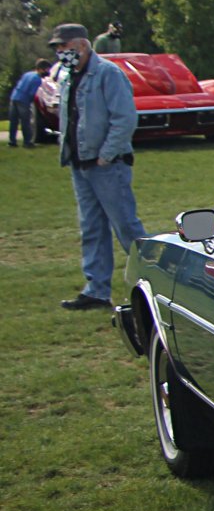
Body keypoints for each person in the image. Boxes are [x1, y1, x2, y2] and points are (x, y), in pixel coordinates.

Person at [48, 23, 144, 311]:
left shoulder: (108, 74)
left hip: (108, 166)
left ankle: (158, 275)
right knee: (91, 228)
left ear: (82, 45)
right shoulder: (67, 76)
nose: (60, 53)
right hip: (80, 165)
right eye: (57, 49)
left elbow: (125, 118)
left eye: (63, 48)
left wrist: (106, 154)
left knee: (126, 227)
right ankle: (97, 290)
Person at [8, 58, 50, 148]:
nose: (47, 72)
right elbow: (32, 94)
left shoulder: (27, 74)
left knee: (13, 122)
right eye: (46, 70)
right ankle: (27, 142)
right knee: (25, 122)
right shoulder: (37, 79)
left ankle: (12, 141)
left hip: (14, 97)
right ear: (41, 69)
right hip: (24, 100)